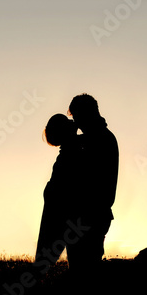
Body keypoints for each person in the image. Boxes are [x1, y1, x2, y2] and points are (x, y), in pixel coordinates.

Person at [66, 93, 119, 272]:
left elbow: (80, 172)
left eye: (77, 116)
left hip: (90, 217)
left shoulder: (97, 139)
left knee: (84, 273)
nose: (76, 122)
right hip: (93, 216)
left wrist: (70, 142)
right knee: (86, 272)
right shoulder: (100, 137)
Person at [34, 114, 83, 267]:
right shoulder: (72, 153)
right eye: (66, 121)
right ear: (64, 130)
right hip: (69, 216)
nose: (72, 121)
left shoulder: (71, 151)